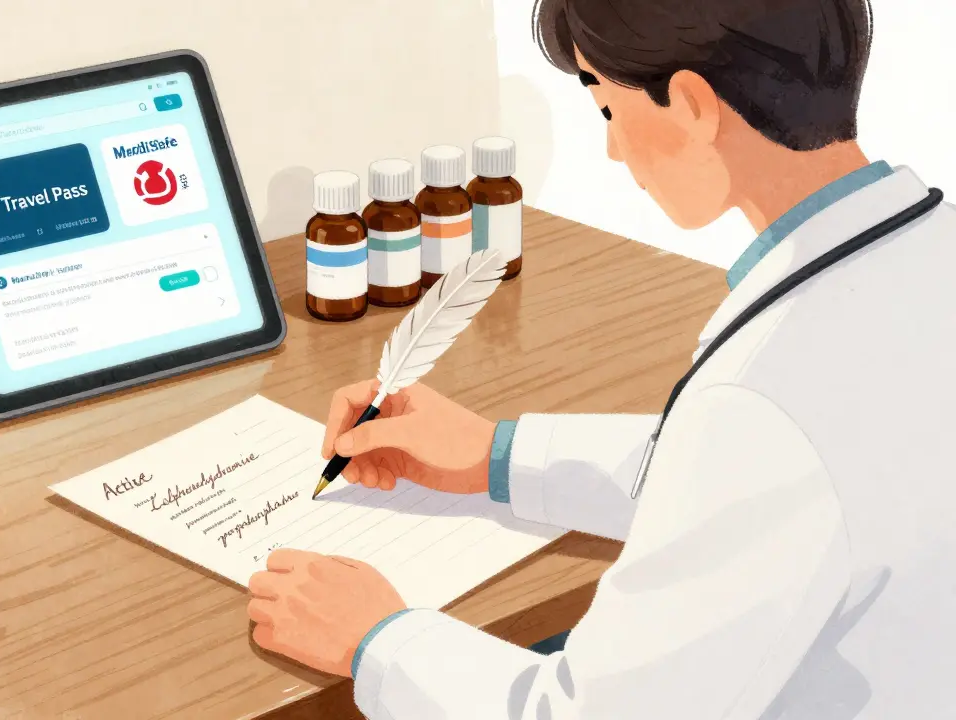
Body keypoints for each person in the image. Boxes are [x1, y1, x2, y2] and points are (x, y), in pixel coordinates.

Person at [245, 0, 956, 717]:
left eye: (608, 110)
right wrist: (494, 455)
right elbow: (753, 483)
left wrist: (375, 639)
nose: (614, 152)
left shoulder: (763, 397)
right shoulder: (923, 254)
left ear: (692, 105)